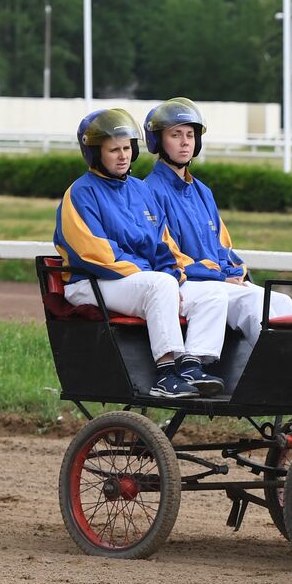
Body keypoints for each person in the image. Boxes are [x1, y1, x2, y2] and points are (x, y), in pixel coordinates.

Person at [54, 109, 228, 398]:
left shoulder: (140, 190)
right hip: (91, 282)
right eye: (113, 150)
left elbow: (164, 245)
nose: (122, 156)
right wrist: (156, 278)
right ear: (95, 153)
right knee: (159, 285)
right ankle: (165, 374)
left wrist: (174, 277)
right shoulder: (80, 193)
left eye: (127, 148)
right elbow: (95, 254)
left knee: (213, 294)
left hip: (138, 283)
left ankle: (192, 365)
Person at [143, 97, 292, 347]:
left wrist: (234, 272)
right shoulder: (149, 191)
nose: (185, 142)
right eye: (176, 135)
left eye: (190, 135)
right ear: (158, 140)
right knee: (254, 304)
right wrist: (217, 276)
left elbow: (223, 247)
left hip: (217, 282)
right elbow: (166, 254)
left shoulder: (203, 191)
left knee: (280, 302)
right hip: (187, 284)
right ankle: (279, 371)